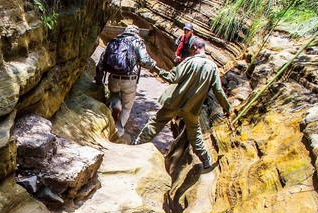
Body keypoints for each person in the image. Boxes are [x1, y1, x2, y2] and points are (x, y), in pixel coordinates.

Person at [132, 38, 231, 171]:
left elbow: (172, 77)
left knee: (156, 122)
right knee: (194, 134)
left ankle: (138, 144)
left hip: (175, 102)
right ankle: (206, 160)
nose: (190, 50)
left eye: (191, 48)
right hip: (193, 108)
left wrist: (155, 68)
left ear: (195, 48)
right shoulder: (212, 67)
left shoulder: (190, 62)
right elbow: (218, 91)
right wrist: (227, 108)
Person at [95, 24, 160, 137]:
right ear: (136, 33)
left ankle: (114, 111)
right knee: (126, 107)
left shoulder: (114, 41)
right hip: (129, 80)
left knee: (114, 99)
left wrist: (99, 80)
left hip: (113, 78)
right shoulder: (137, 41)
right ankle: (118, 132)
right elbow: (145, 60)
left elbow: (101, 61)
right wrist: (155, 66)